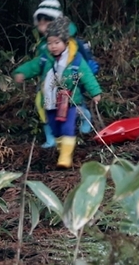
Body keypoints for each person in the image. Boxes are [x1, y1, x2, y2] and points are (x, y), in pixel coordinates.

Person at [14, 17, 102, 169]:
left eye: (57, 42)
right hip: (50, 101)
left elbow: (87, 75)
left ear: (65, 42)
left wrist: (95, 92)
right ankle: (62, 148)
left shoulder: (75, 60)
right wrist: (22, 72)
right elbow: (33, 66)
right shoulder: (45, 59)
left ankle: (65, 157)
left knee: (67, 127)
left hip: (69, 100)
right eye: (49, 43)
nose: (53, 47)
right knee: (55, 128)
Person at [29, 0, 93, 148]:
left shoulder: (70, 40)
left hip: (69, 80)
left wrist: (89, 66)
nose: (43, 25)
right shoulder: (43, 44)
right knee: (43, 106)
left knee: (72, 103)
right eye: (41, 21)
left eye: (48, 21)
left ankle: (84, 116)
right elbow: (40, 62)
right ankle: (50, 135)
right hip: (48, 83)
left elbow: (82, 56)